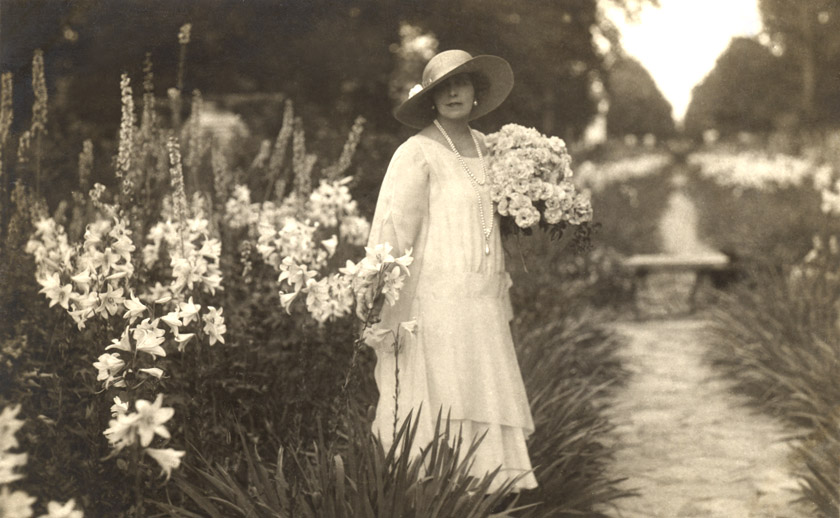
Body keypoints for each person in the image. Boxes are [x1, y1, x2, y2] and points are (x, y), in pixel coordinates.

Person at [365, 49, 537, 492]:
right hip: (437, 298)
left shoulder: (491, 149)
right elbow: (393, 228)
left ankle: (483, 498)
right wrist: (378, 286)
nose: (453, 93)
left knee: (482, 393)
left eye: (461, 83)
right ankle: (436, 498)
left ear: (477, 91)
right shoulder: (417, 152)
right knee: (444, 395)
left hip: (483, 295)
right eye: (442, 86)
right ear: (430, 98)